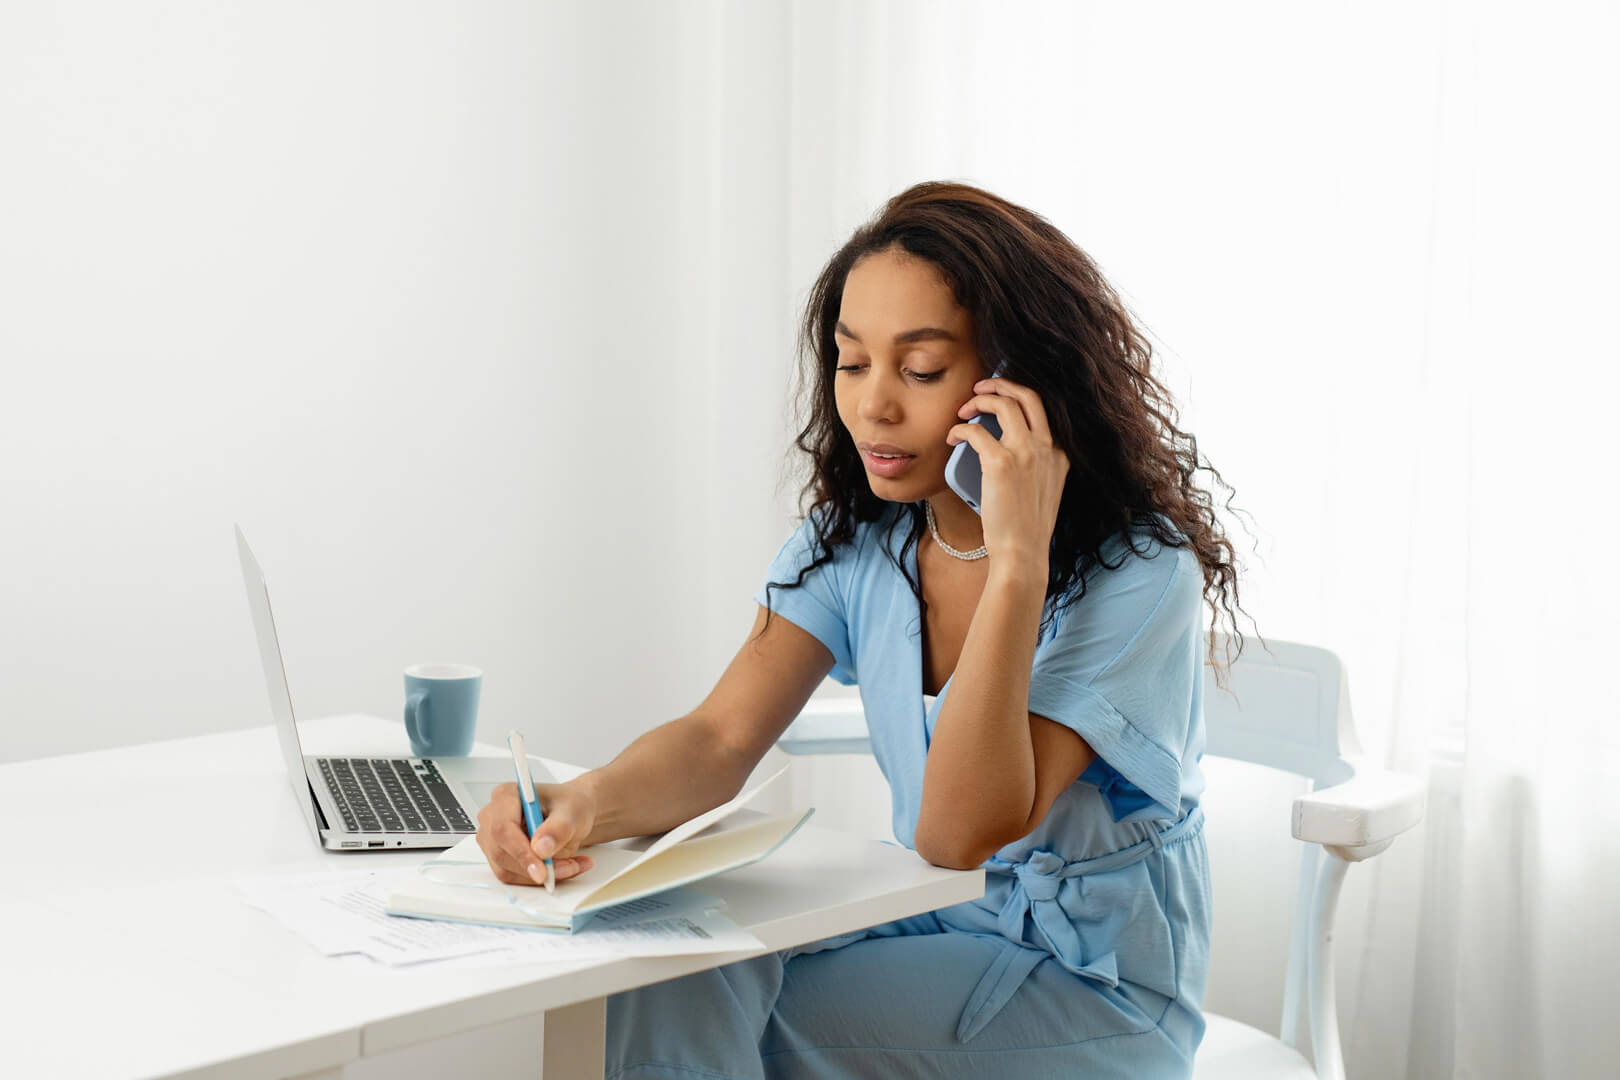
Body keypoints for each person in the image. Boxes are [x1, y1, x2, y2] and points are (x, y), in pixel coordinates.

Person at [475, 180, 1251, 1079]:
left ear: (1021, 385)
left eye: (920, 370)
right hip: (937, 916)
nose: (875, 405)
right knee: (669, 966)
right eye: (851, 363)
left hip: (1093, 987)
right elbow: (721, 736)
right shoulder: (857, 540)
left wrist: (1017, 564)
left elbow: (958, 833)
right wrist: (587, 809)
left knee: (762, 1030)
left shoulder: (1139, 575)